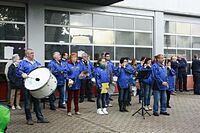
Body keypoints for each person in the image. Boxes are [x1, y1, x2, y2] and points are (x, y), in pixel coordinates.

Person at [17, 49, 49, 125]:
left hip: (36, 86)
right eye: (31, 53)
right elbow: (18, 71)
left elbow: (41, 70)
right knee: (27, 103)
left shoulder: (36, 63)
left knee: (37, 102)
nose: (33, 54)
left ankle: (40, 118)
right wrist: (22, 74)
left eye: (33, 53)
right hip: (27, 86)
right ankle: (29, 119)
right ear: (27, 55)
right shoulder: (22, 63)